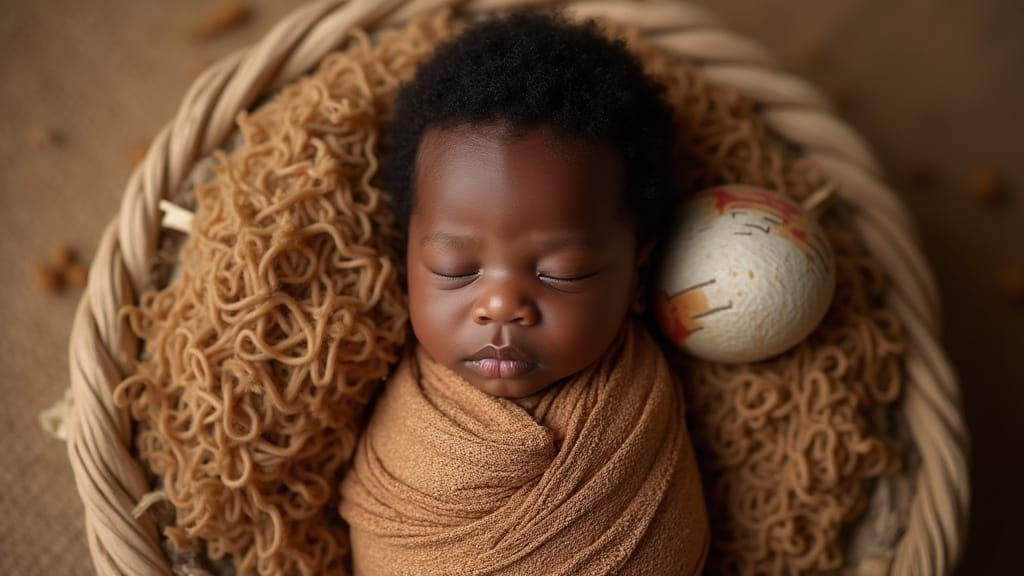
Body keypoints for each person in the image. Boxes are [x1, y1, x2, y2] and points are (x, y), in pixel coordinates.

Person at [340, 10, 709, 575]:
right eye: (454, 268)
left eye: (562, 272)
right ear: (406, 260)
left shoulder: (638, 415)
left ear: (638, 276)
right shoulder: (412, 421)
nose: (500, 305)